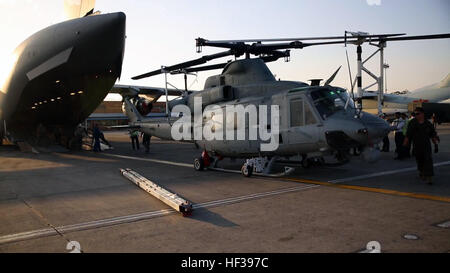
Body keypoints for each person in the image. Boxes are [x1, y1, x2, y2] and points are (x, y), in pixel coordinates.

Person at [403, 107, 439, 185]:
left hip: (426, 146)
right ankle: (421, 172)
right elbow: (408, 135)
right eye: (415, 114)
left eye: (417, 114)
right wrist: (405, 145)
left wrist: (435, 145)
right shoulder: (412, 123)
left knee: (428, 161)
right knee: (420, 160)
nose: (416, 115)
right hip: (417, 145)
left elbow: (432, 135)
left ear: (422, 114)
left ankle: (429, 178)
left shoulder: (428, 124)